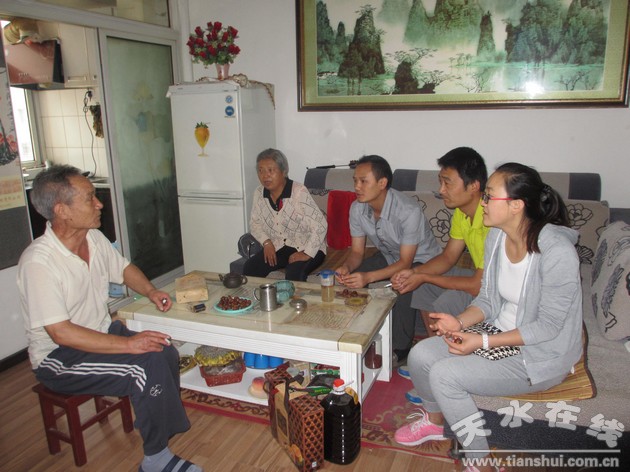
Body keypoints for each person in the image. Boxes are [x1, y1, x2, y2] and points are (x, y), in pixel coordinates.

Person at [393, 163, 583, 471]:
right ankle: (435, 421)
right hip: (497, 331)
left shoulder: (556, 252)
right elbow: (488, 299)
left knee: (445, 375)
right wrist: (460, 322)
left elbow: (548, 327)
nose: (482, 203)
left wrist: (481, 341)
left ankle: (479, 460)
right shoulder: (496, 237)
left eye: (489, 196)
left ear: (516, 205)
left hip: (538, 354)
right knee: (420, 355)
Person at [17, 165, 202, 472]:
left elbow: (124, 269)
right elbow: (61, 333)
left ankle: (160, 431)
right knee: (143, 368)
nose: (99, 203)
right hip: (58, 357)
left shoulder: (93, 238)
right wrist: (129, 345)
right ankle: (155, 460)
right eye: (90, 198)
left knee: (165, 351)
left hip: (100, 333)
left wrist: (151, 291)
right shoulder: (39, 262)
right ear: (62, 210)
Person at [391, 147, 489, 402]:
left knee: (445, 300)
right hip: (478, 279)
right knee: (421, 285)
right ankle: (434, 356)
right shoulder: (462, 213)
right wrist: (413, 273)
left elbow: (477, 285)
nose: (441, 190)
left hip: (492, 291)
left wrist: (423, 276)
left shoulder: (491, 218)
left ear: (474, 186)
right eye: (440, 182)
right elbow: (447, 258)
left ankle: (445, 368)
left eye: (447, 182)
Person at [335, 155, 441, 365]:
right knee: (351, 278)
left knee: (402, 281)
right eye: (355, 180)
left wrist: (368, 277)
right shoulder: (357, 208)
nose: (356, 187)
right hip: (389, 255)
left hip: (421, 261)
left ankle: (401, 348)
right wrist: (346, 267)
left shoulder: (408, 211)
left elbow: (405, 263)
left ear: (382, 183)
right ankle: (357, 334)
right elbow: (357, 253)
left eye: (363, 181)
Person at [244, 148, 327, 281]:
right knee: (250, 268)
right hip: (279, 246)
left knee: (294, 274)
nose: (265, 176)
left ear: (283, 171)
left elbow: (320, 225)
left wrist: (307, 253)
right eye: (261, 170)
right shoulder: (259, 193)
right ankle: (261, 295)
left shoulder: (298, 192)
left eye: (270, 170)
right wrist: (266, 242)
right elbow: (254, 223)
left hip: (307, 245)